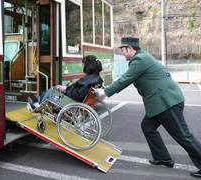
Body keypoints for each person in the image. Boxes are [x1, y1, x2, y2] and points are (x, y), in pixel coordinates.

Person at [95, 37, 201, 178]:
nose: (122, 53)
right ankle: (164, 158)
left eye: (123, 50)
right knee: (148, 127)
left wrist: (106, 92)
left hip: (166, 102)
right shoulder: (142, 57)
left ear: (130, 48)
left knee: (183, 136)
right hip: (159, 103)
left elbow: (126, 78)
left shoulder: (139, 60)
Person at [28, 55, 103, 109]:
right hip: (78, 98)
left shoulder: (89, 78)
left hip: (72, 99)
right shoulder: (96, 78)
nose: (83, 66)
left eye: (84, 64)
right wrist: (68, 87)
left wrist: (66, 89)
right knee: (58, 88)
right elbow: (80, 87)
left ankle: (38, 103)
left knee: (54, 89)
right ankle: (40, 99)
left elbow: (78, 91)